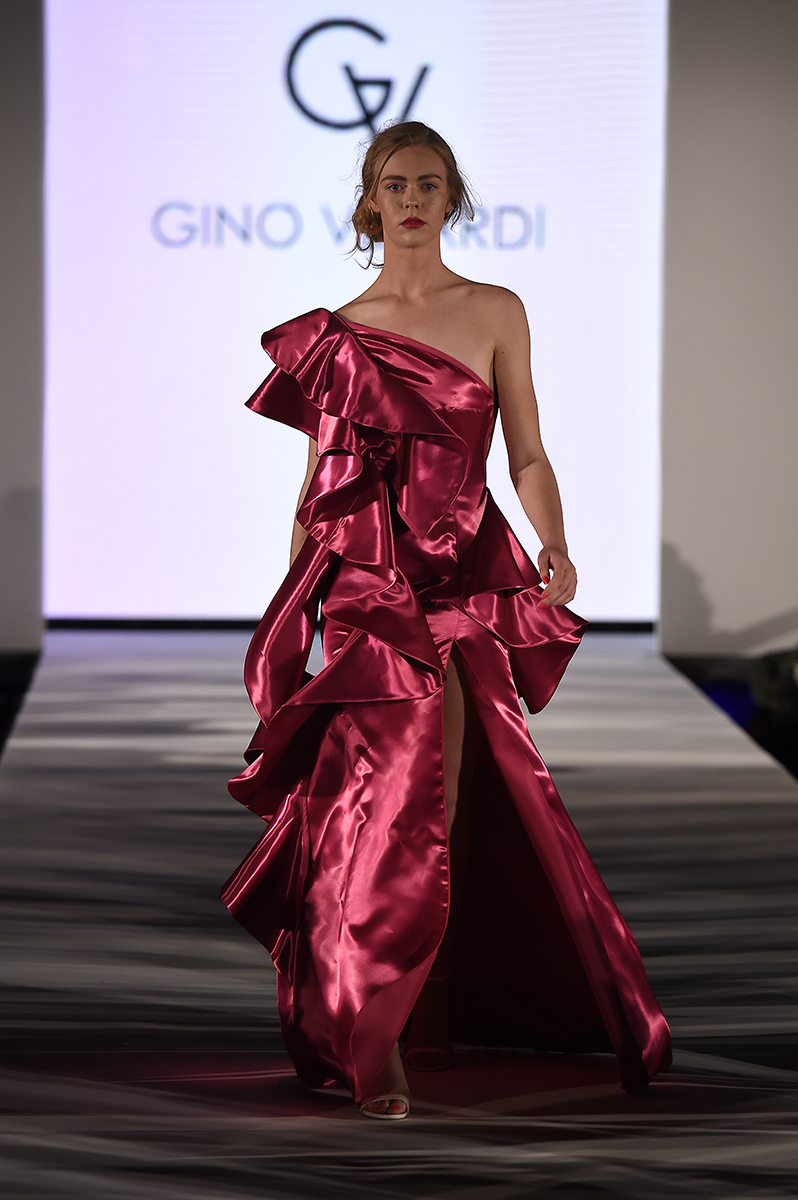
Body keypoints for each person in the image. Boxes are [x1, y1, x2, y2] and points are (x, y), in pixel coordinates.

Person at [222, 122, 671, 1121]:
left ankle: (427, 1005)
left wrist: (555, 541)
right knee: (383, 803)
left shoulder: (496, 310)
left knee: (446, 800)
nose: (413, 199)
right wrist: (295, 613)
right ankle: (372, 1036)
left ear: (452, 198)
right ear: (370, 201)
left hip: (462, 586)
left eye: (430, 184)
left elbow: (526, 452)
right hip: (369, 593)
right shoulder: (339, 334)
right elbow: (318, 485)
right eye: (395, 184)